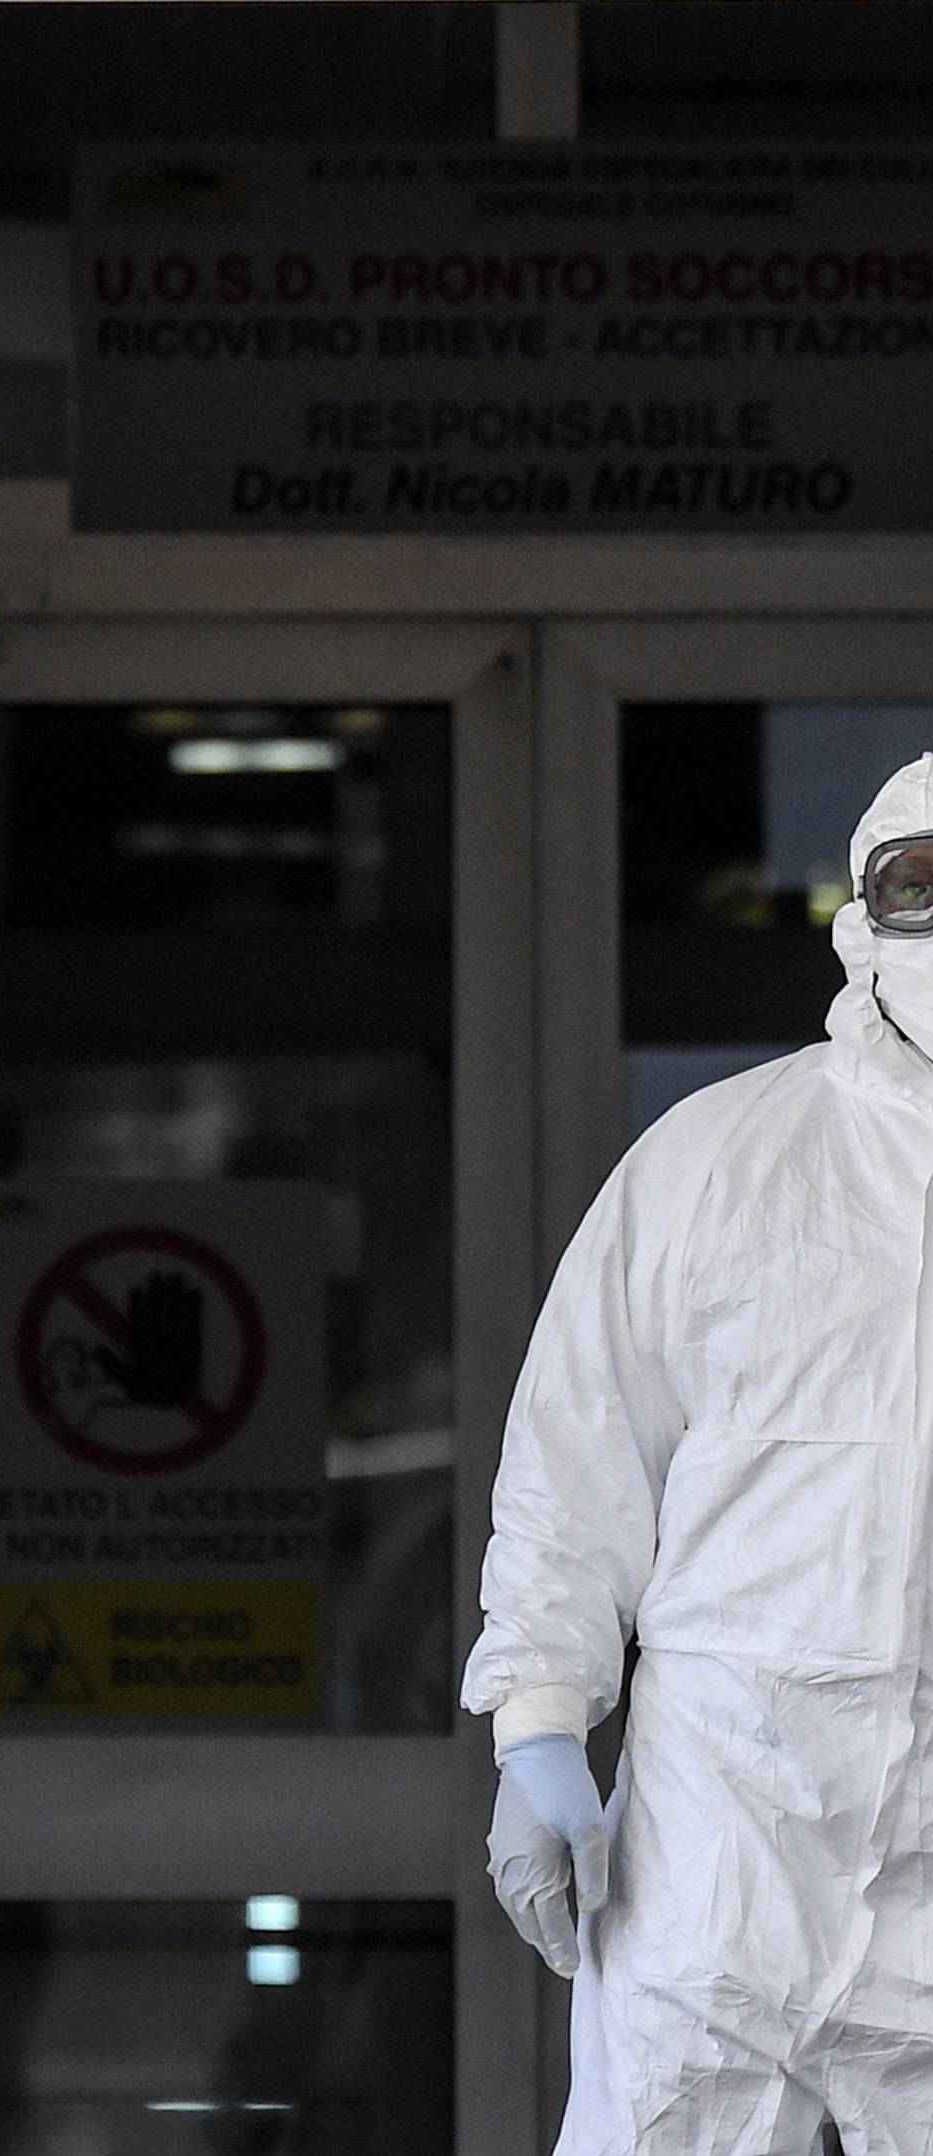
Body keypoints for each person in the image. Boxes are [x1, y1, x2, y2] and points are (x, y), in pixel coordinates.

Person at [466, 754, 933, 2156]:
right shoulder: (719, 1160)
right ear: (860, 916)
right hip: (725, 1831)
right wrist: (540, 1728)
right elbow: (577, 1457)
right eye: (920, 885)